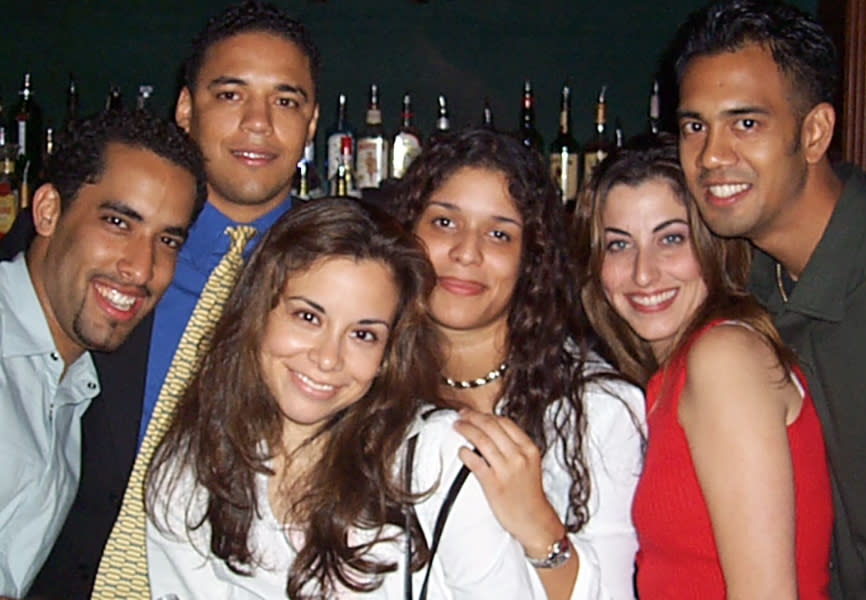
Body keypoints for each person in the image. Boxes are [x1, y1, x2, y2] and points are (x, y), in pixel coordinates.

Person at [0, 3, 323, 597]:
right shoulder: (79, 243)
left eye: (285, 101)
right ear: (184, 110)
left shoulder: (344, 273)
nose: (258, 123)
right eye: (230, 95)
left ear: (311, 122)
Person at [145, 197, 548, 599]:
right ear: (258, 311)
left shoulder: (437, 460)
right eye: (308, 317)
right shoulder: (188, 471)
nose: (327, 358)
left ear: (389, 352)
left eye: (363, 334)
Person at [672, 1, 866, 596]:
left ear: (815, 132)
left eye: (745, 123)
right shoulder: (749, 286)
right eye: (695, 125)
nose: (712, 156)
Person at [575, 135, 832, 598]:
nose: (643, 273)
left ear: (714, 245)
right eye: (619, 245)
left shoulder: (723, 358)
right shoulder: (670, 377)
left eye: (671, 238)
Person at [392, 128, 645, 600]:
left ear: (531, 260)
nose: (467, 252)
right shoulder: (361, 381)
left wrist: (538, 524)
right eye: (444, 223)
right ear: (407, 234)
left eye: (498, 234)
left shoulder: (599, 409)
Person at [0, 109, 206, 598]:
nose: (141, 267)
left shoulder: (73, 379)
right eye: (117, 222)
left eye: (167, 239)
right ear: (48, 211)